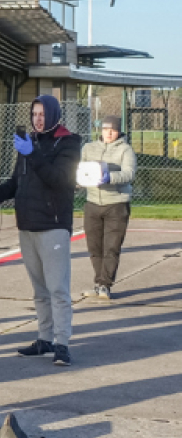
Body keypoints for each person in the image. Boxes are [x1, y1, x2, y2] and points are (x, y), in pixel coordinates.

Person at [0, 95, 81, 367]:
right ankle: (44, 338)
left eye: (42, 114)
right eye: (34, 114)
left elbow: (60, 179)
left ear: (53, 115)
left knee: (57, 289)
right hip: (27, 225)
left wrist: (32, 154)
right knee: (39, 290)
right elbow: (16, 183)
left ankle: (62, 343)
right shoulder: (30, 144)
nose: (38, 119)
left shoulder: (69, 142)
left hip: (53, 226)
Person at [80, 115, 136, 300]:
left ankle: (105, 285)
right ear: (100, 130)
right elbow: (80, 169)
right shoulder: (88, 148)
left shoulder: (125, 150)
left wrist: (109, 177)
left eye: (112, 130)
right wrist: (78, 180)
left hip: (117, 204)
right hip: (93, 203)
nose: (108, 133)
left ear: (118, 131)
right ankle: (98, 283)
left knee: (111, 247)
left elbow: (129, 173)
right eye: (105, 129)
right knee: (94, 247)